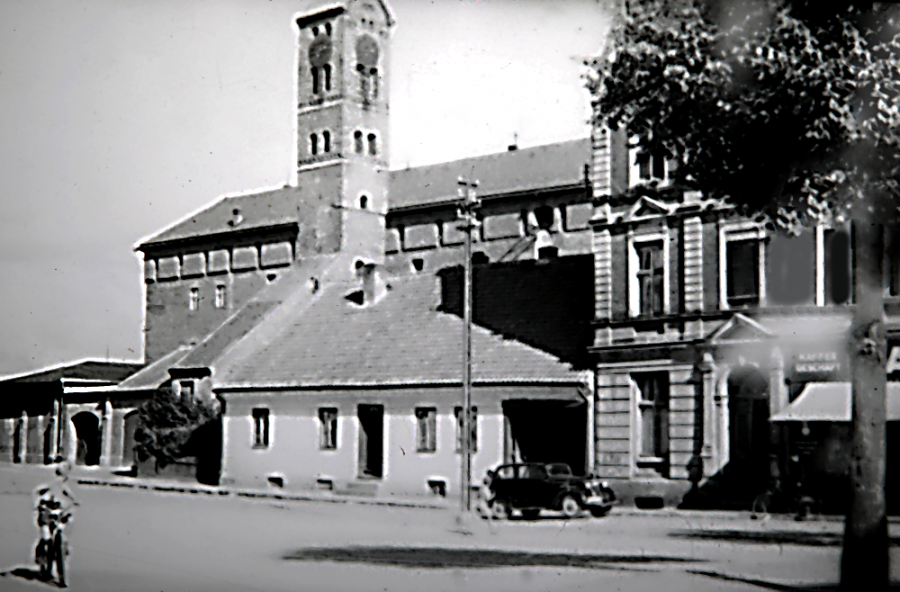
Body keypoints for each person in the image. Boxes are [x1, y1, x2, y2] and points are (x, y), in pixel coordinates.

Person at [35, 458, 79, 547]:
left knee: (62, 524)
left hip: (57, 508)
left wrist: (73, 501)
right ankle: (43, 548)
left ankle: (62, 545)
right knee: (46, 531)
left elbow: (67, 494)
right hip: (49, 508)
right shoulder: (53, 482)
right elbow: (43, 491)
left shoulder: (62, 484)